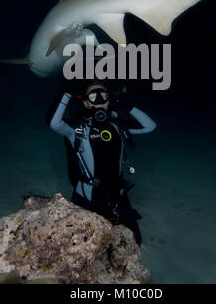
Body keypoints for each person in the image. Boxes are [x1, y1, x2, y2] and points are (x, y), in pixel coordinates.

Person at [49, 79, 156, 246]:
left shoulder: (117, 126)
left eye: (103, 96)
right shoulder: (78, 129)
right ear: (85, 102)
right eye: (93, 96)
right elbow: (54, 123)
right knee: (78, 246)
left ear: (109, 101)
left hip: (117, 196)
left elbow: (150, 126)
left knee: (134, 242)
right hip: (86, 197)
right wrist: (67, 93)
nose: (99, 100)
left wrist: (127, 107)